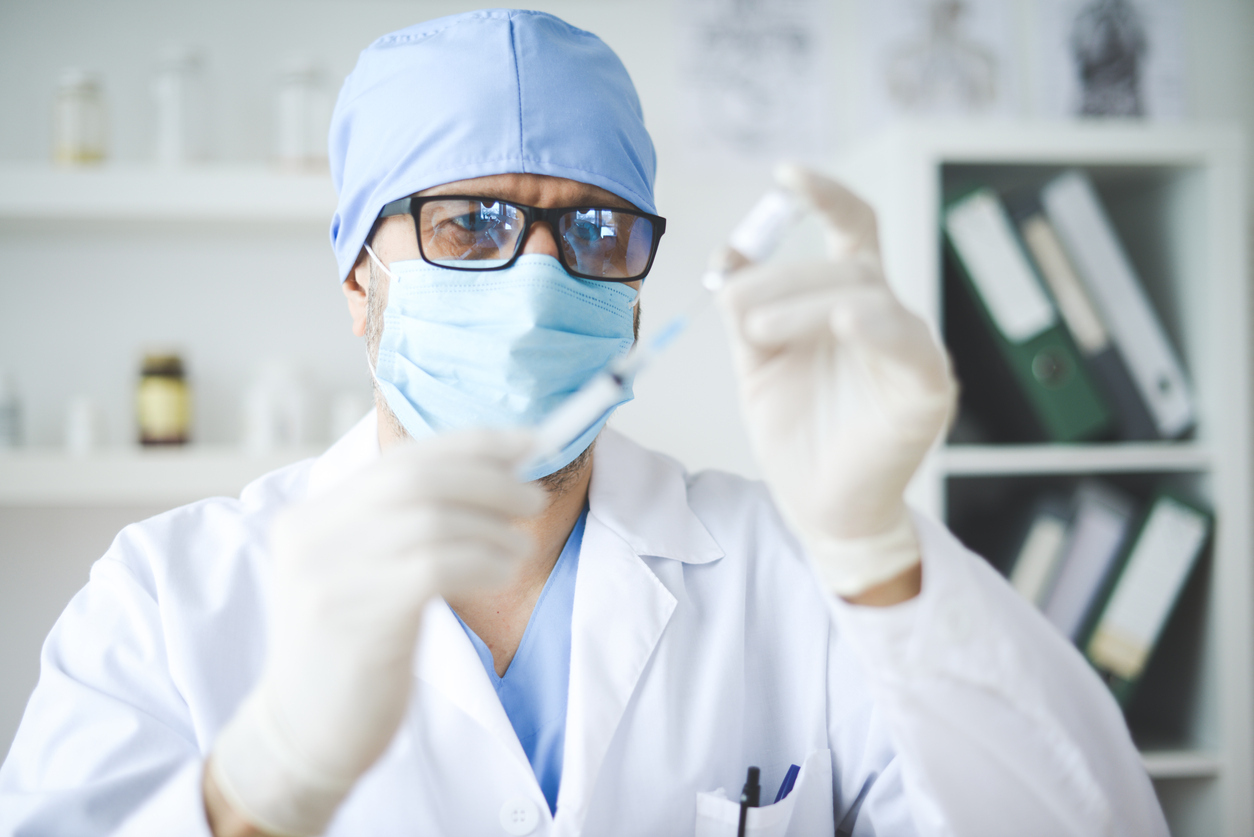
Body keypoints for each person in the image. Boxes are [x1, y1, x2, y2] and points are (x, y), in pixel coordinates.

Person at [0, 9, 1165, 837]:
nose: (539, 281)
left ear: (641, 284)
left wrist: (878, 552)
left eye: (597, 233)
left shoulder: (797, 576)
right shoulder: (165, 597)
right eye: (469, 225)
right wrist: (253, 792)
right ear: (360, 280)